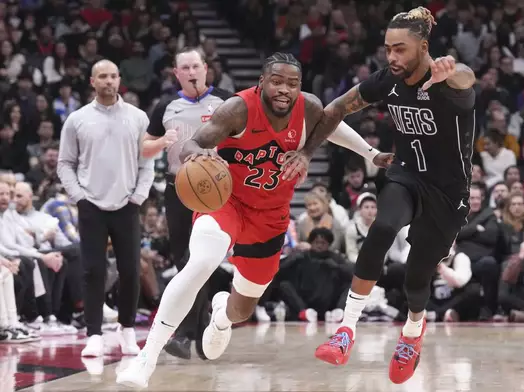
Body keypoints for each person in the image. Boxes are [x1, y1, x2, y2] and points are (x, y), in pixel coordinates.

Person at [116, 52, 394, 389]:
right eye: (276, 81)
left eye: (292, 84)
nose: (284, 89)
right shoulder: (238, 109)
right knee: (201, 261)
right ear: (262, 82)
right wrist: (197, 154)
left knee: (242, 310)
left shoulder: (307, 107)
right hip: (226, 202)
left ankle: (220, 318)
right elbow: (196, 142)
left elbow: (332, 122)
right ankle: (146, 357)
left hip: (271, 217)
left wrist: (369, 154)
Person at [281, 6, 476, 384]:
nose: (391, 57)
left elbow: (466, 80)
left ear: (423, 47)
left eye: (400, 49)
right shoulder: (387, 80)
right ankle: (345, 330)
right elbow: (337, 108)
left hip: (448, 194)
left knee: (417, 278)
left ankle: (412, 334)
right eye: (388, 48)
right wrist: (307, 151)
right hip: (405, 174)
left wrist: (452, 69)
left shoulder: (450, 85)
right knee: (382, 228)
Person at [57, 60, 154, 357]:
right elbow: (65, 163)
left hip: (127, 204)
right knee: (93, 271)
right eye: (103, 76)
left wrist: (138, 196)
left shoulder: (138, 118)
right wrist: (79, 198)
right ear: (92, 81)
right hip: (91, 206)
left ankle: (126, 331)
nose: (109, 81)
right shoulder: (77, 119)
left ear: (119, 79)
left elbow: (147, 161)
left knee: (129, 271)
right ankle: (94, 334)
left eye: (113, 76)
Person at [141, 47, 232, 360]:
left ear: (206, 68)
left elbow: (245, 141)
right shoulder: (165, 105)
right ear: (176, 73)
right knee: (185, 260)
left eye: (196, 66)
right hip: (178, 188)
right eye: (185, 68)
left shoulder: (227, 101)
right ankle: (203, 329)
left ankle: (188, 333)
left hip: (217, 191)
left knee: (201, 261)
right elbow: (145, 148)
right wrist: (161, 143)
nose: (192, 72)